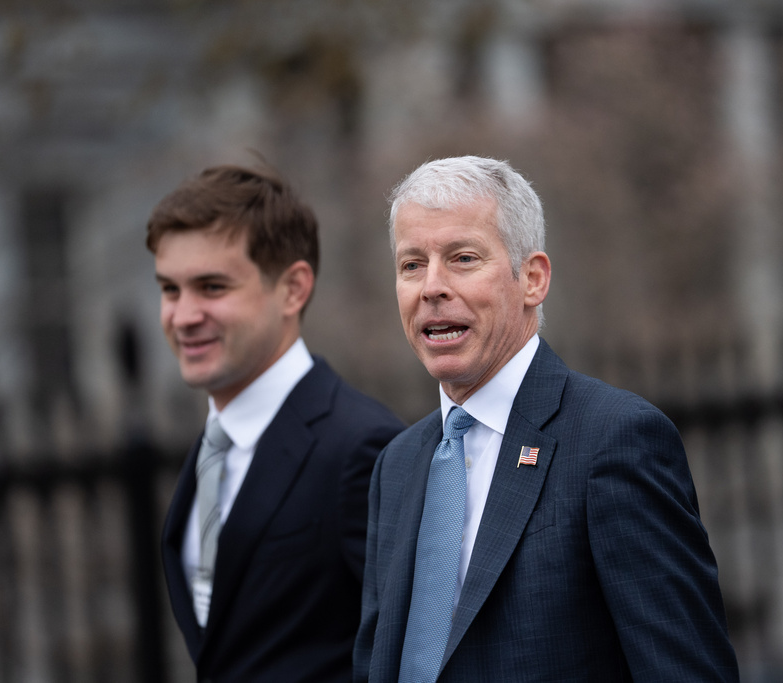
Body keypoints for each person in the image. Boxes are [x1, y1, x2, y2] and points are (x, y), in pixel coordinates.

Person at [354, 156, 738, 681]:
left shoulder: (614, 440)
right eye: (411, 264)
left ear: (532, 279)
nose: (431, 287)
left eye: (463, 258)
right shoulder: (395, 467)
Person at [148, 162, 404, 682]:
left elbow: (410, 654)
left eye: (212, 287)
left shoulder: (361, 448)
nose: (183, 315)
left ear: (293, 289)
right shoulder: (212, 448)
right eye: (170, 290)